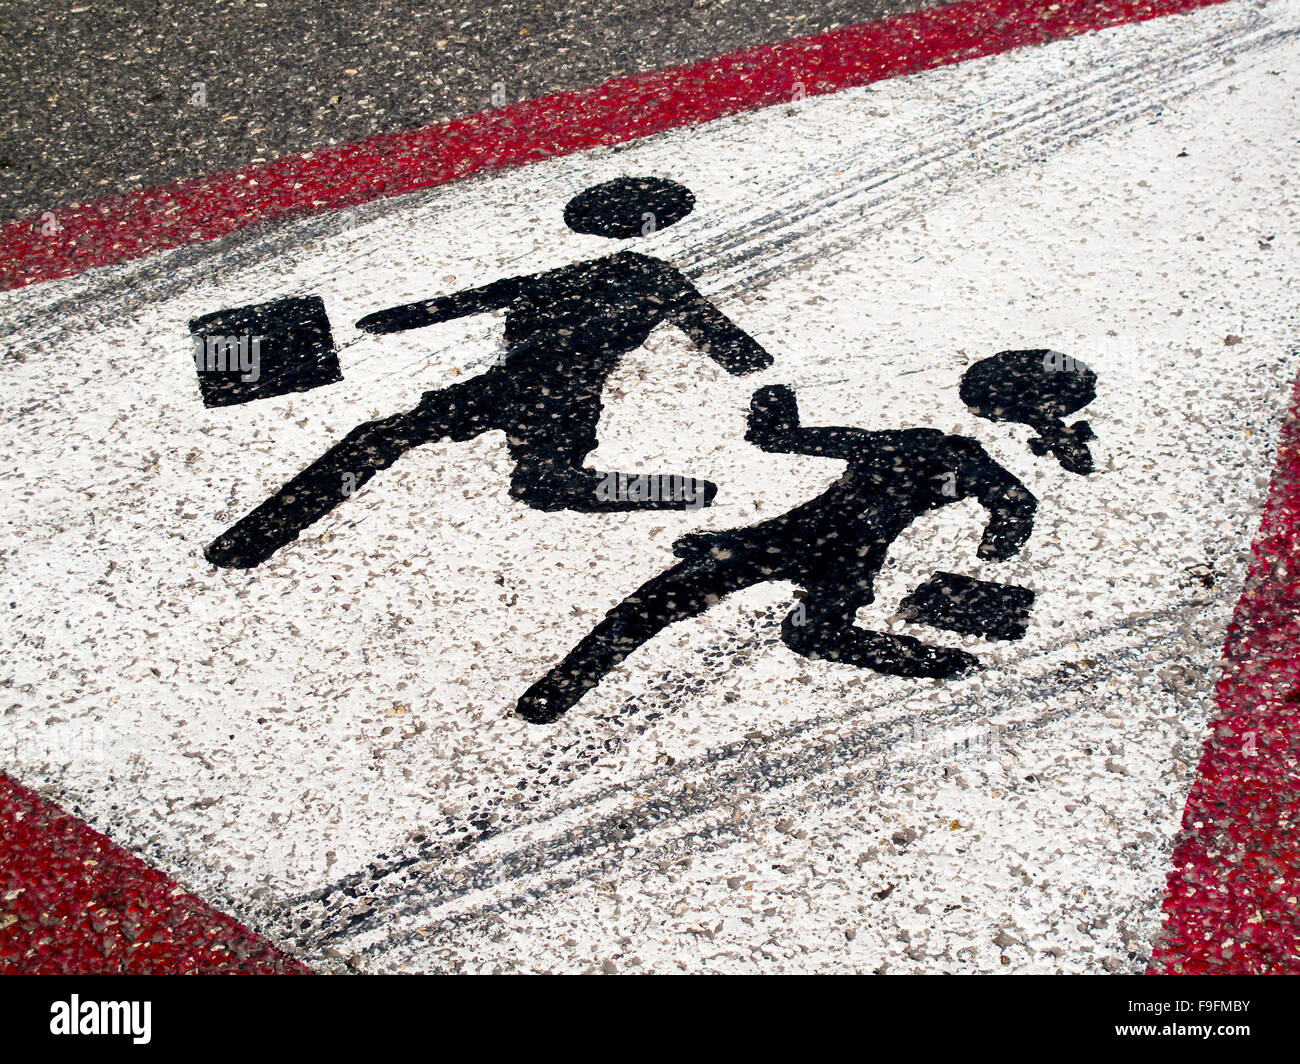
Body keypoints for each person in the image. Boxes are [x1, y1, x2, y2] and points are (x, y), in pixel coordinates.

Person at [206, 176, 771, 569]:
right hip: (529, 392)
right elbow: (728, 344)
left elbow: (467, 301)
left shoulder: (628, 278)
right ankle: (250, 539)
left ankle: (681, 492)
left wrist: (392, 320)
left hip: (556, 397)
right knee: (512, 476)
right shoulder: (609, 278)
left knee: (530, 482)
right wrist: (385, 321)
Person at [516, 350, 1098, 724]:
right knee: (803, 631)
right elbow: (1016, 502)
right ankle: (942, 663)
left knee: (661, 602)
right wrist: (997, 539)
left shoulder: (906, 446)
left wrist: (773, 410)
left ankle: (560, 687)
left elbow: (785, 439)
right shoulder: (952, 457)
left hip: (804, 539)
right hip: (843, 552)